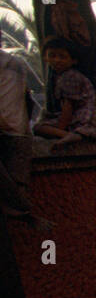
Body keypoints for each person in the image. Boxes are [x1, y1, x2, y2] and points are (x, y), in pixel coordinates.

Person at [33, 37, 96, 150]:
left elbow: (68, 107)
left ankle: (68, 135)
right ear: (45, 57)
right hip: (78, 117)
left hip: (83, 118)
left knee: (39, 128)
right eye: (52, 56)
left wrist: (60, 129)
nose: (57, 60)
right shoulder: (58, 76)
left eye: (62, 57)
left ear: (73, 60)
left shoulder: (69, 77)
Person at [0, 48, 49, 228]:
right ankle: (19, 207)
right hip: (17, 133)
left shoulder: (11, 63)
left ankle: (18, 207)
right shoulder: (14, 63)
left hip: (13, 133)